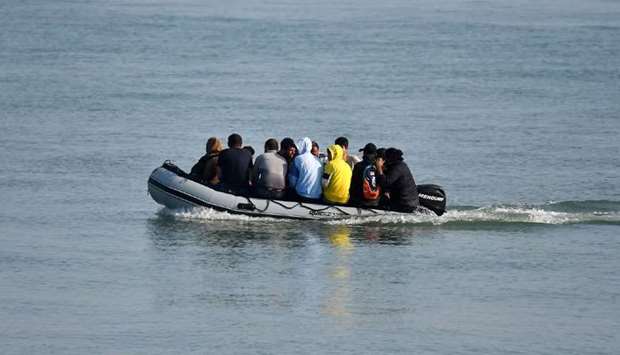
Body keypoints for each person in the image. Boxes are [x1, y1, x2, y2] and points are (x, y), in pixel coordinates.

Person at [375, 148, 419, 212]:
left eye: (386, 158)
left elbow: (386, 182)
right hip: (410, 202)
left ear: (390, 158)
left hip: (405, 204)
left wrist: (379, 168)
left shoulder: (397, 168)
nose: (385, 160)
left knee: (381, 202)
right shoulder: (401, 165)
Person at [288, 137, 323, 202]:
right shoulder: (319, 161)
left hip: (302, 195)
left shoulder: (298, 159)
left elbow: (292, 182)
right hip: (317, 196)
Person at [349, 143, 381, 207]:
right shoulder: (378, 167)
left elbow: (352, 187)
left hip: (360, 202)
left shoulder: (358, 166)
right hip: (375, 202)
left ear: (365, 153)